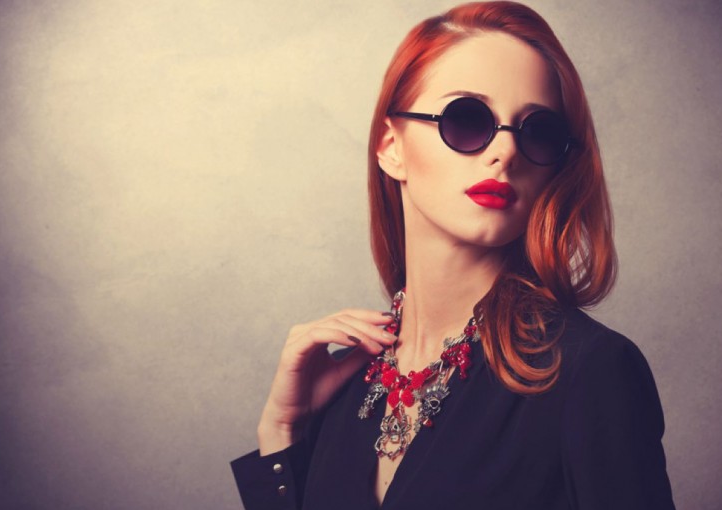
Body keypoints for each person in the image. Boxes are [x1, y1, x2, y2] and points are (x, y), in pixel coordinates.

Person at [230, 2, 676, 509]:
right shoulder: (344, 385)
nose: (505, 152)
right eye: (467, 119)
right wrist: (282, 429)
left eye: (537, 131)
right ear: (391, 146)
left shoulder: (588, 370)